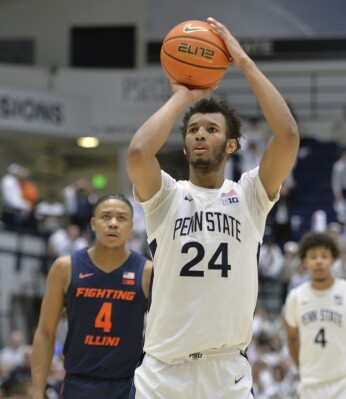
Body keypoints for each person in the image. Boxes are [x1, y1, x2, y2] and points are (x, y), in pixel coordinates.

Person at [125, 17, 299, 399]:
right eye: (193, 129)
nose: (200, 133)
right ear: (186, 146)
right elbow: (138, 153)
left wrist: (245, 63)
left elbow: (287, 136)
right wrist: (182, 97)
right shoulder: (167, 196)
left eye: (212, 128)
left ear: (232, 145)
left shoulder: (250, 195)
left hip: (226, 375)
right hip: (162, 374)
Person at [31, 194, 152, 399]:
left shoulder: (147, 271)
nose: (113, 224)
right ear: (93, 224)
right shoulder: (65, 267)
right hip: (77, 383)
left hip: (128, 384)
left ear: (131, 227)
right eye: (106, 217)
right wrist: (36, 393)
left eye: (121, 218)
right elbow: (45, 332)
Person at [284, 232, 346, 399]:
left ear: (333, 259)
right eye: (313, 257)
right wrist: (304, 368)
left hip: (344, 384)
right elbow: (292, 339)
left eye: (324, 256)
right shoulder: (295, 297)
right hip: (309, 386)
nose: (319, 261)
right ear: (305, 262)